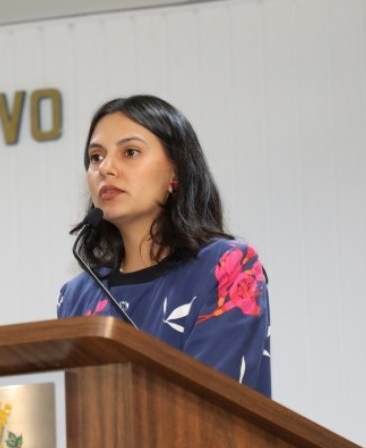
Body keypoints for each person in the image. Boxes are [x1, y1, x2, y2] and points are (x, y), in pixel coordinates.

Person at [57, 95, 271, 397]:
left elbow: (211, 404)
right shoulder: (76, 296)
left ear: (176, 172)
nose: (106, 168)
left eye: (130, 152)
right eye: (96, 157)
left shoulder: (226, 267)